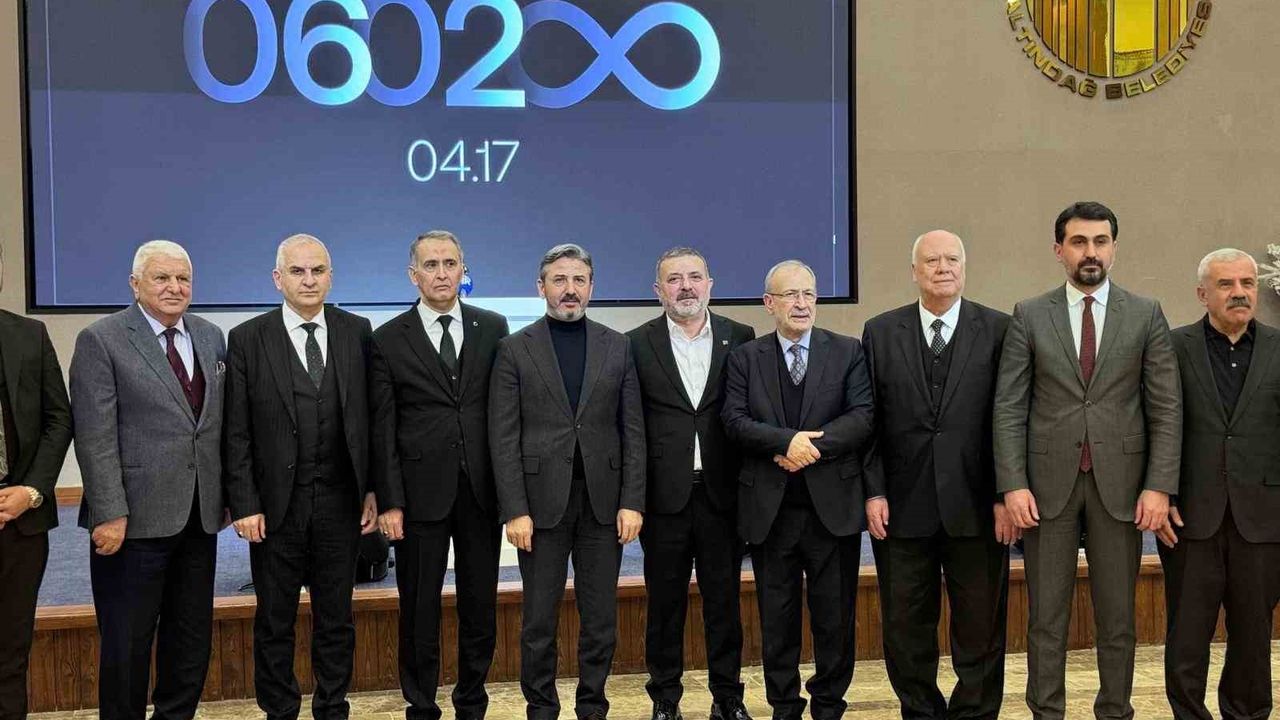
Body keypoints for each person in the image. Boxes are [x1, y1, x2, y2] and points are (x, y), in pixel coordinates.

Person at [993, 201, 1181, 720]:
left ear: (1114, 248)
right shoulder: (1030, 314)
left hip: (1123, 488)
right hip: (1044, 489)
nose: (1090, 252)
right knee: (1045, 620)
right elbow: (1009, 407)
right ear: (1059, 250)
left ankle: (1115, 711)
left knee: (1118, 619)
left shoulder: (1145, 314)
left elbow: (1165, 407)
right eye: (1079, 242)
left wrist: (1159, 486)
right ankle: (1046, 712)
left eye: (1100, 241)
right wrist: (1012, 484)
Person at [71, 240, 227, 720]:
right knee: (127, 645)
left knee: (190, 641)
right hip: (131, 523)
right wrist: (108, 512)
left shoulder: (210, 336)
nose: (174, 287)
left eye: (183, 279)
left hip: (199, 518)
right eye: (162, 278)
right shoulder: (102, 339)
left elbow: (215, 427)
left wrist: (226, 497)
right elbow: (94, 436)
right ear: (135, 284)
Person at [223, 234, 377, 720]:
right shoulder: (247, 338)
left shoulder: (357, 331)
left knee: (337, 619)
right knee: (275, 620)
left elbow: (373, 418)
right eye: (297, 271)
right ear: (278, 279)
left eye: (317, 270)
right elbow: (236, 430)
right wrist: (244, 502)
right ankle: (280, 710)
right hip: (274, 510)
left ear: (331, 276)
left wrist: (373, 488)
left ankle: (333, 707)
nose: (309, 280)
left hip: (341, 504)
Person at [488, 243, 645, 720]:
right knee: (538, 622)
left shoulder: (617, 345)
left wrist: (632, 501)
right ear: (541, 287)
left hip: (604, 505)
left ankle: (593, 707)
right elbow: (503, 436)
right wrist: (515, 509)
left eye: (579, 280)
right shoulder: (514, 348)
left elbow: (633, 430)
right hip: (539, 509)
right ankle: (541, 708)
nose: (569, 289)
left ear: (591, 287)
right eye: (559, 280)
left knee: (601, 621)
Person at [862, 230, 1014, 719]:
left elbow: (1009, 419)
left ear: (965, 268)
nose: (942, 267)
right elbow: (869, 420)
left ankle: (975, 713)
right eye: (931, 260)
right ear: (914, 271)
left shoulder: (999, 329)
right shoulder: (880, 331)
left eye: (952, 259)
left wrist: (1005, 494)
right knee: (905, 629)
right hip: (902, 508)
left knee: (981, 628)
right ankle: (920, 711)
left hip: (979, 507)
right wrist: (874, 491)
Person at [721, 259, 874, 720]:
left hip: (833, 512)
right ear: (769, 303)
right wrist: (783, 443)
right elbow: (734, 420)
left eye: (808, 293)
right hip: (771, 513)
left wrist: (808, 449)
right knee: (777, 620)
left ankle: (829, 706)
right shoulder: (745, 357)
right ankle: (784, 707)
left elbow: (862, 416)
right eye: (790, 295)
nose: (802, 303)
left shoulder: (847, 351)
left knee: (835, 620)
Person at [370, 230, 509, 720]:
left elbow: (503, 411)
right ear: (414, 275)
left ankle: (472, 702)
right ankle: (422, 705)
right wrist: (390, 500)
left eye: (451, 263)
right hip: (418, 496)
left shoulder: (493, 327)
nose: (442, 273)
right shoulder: (387, 338)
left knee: (480, 606)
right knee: (418, 609)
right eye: (431, 265)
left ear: (463, 270)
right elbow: (382, 427)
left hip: (481, 492)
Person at [627, 247, 756, 720]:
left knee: (725, 604)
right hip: (664, 499)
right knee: (665, 606)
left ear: (710, 284)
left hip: (723, 495)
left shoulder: (740, 337)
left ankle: (728, 698)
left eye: (695, 277)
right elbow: (631, 426)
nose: (686, 286)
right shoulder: (635, 343)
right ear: (657, 290)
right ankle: (665, 700)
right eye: (674, 279)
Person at [1158, 248, 1280, 720]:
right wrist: (1160, 493)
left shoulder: (1278, 347)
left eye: (1247, 283)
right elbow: (1155, 426)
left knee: (1253, 635)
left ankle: (1247, 714)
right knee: (1187, 636)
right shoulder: (1171, 347)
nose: (1239, 293)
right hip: (1190, 517)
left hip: (1263, 519)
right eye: (1226, 284)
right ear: (1202, 293)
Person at [0, 241, 73, 720]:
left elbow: (58, 419)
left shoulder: (29, 335)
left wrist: (32, 491)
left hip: (20, 520)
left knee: (12, 648)